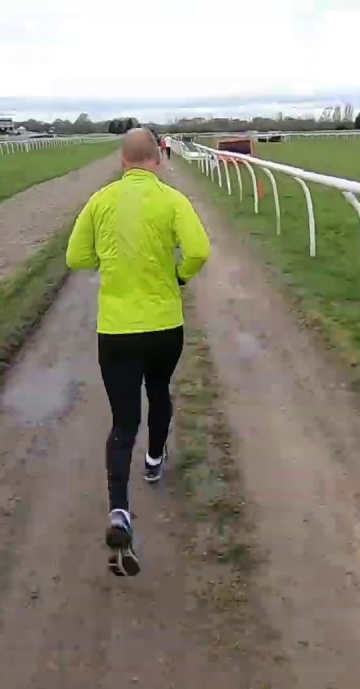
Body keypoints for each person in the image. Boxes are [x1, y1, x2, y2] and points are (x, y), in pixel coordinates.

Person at [66, 128, 211, 577]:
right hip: (165, 325)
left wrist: (109, 265)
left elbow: (75, 258)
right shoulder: (172, 199)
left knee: (123, 420)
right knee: (160, 392)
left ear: (122, 160)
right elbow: (200, 251)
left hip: (116, 330)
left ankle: (119, 511)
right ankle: (153, 463)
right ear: (158, 159)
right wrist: (178, 276)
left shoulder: (100, 200)